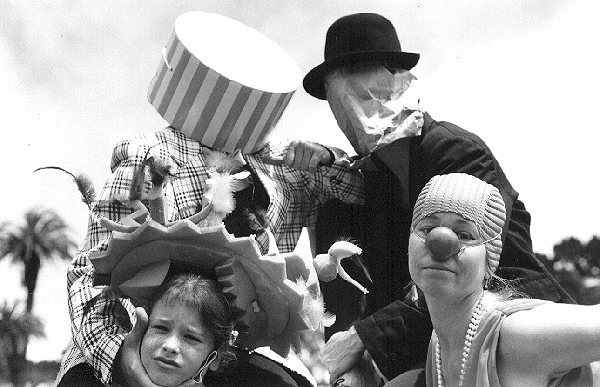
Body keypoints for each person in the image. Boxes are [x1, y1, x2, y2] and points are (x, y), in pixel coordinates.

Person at [56, 11, 363, 387]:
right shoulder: (147, 157)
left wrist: (324, 157)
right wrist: (125, 363)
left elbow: (357, 188)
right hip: (133, 346)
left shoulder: (278, 172)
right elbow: (90, 274)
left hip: (223, 356)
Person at [303, 12, 574, 384]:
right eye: (336, 90)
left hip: (511, 330)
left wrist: (362, 338)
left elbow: (469, 270)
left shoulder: (455, 151)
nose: (350, 101)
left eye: (362, 75)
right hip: (435, 347)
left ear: (397, 81)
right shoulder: (372, 182)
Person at [385, 173, 600, 387]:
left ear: (489, 262)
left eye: (464, 235)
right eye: (427, 229)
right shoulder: (440, 344)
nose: (440, 243)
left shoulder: (519, 335)